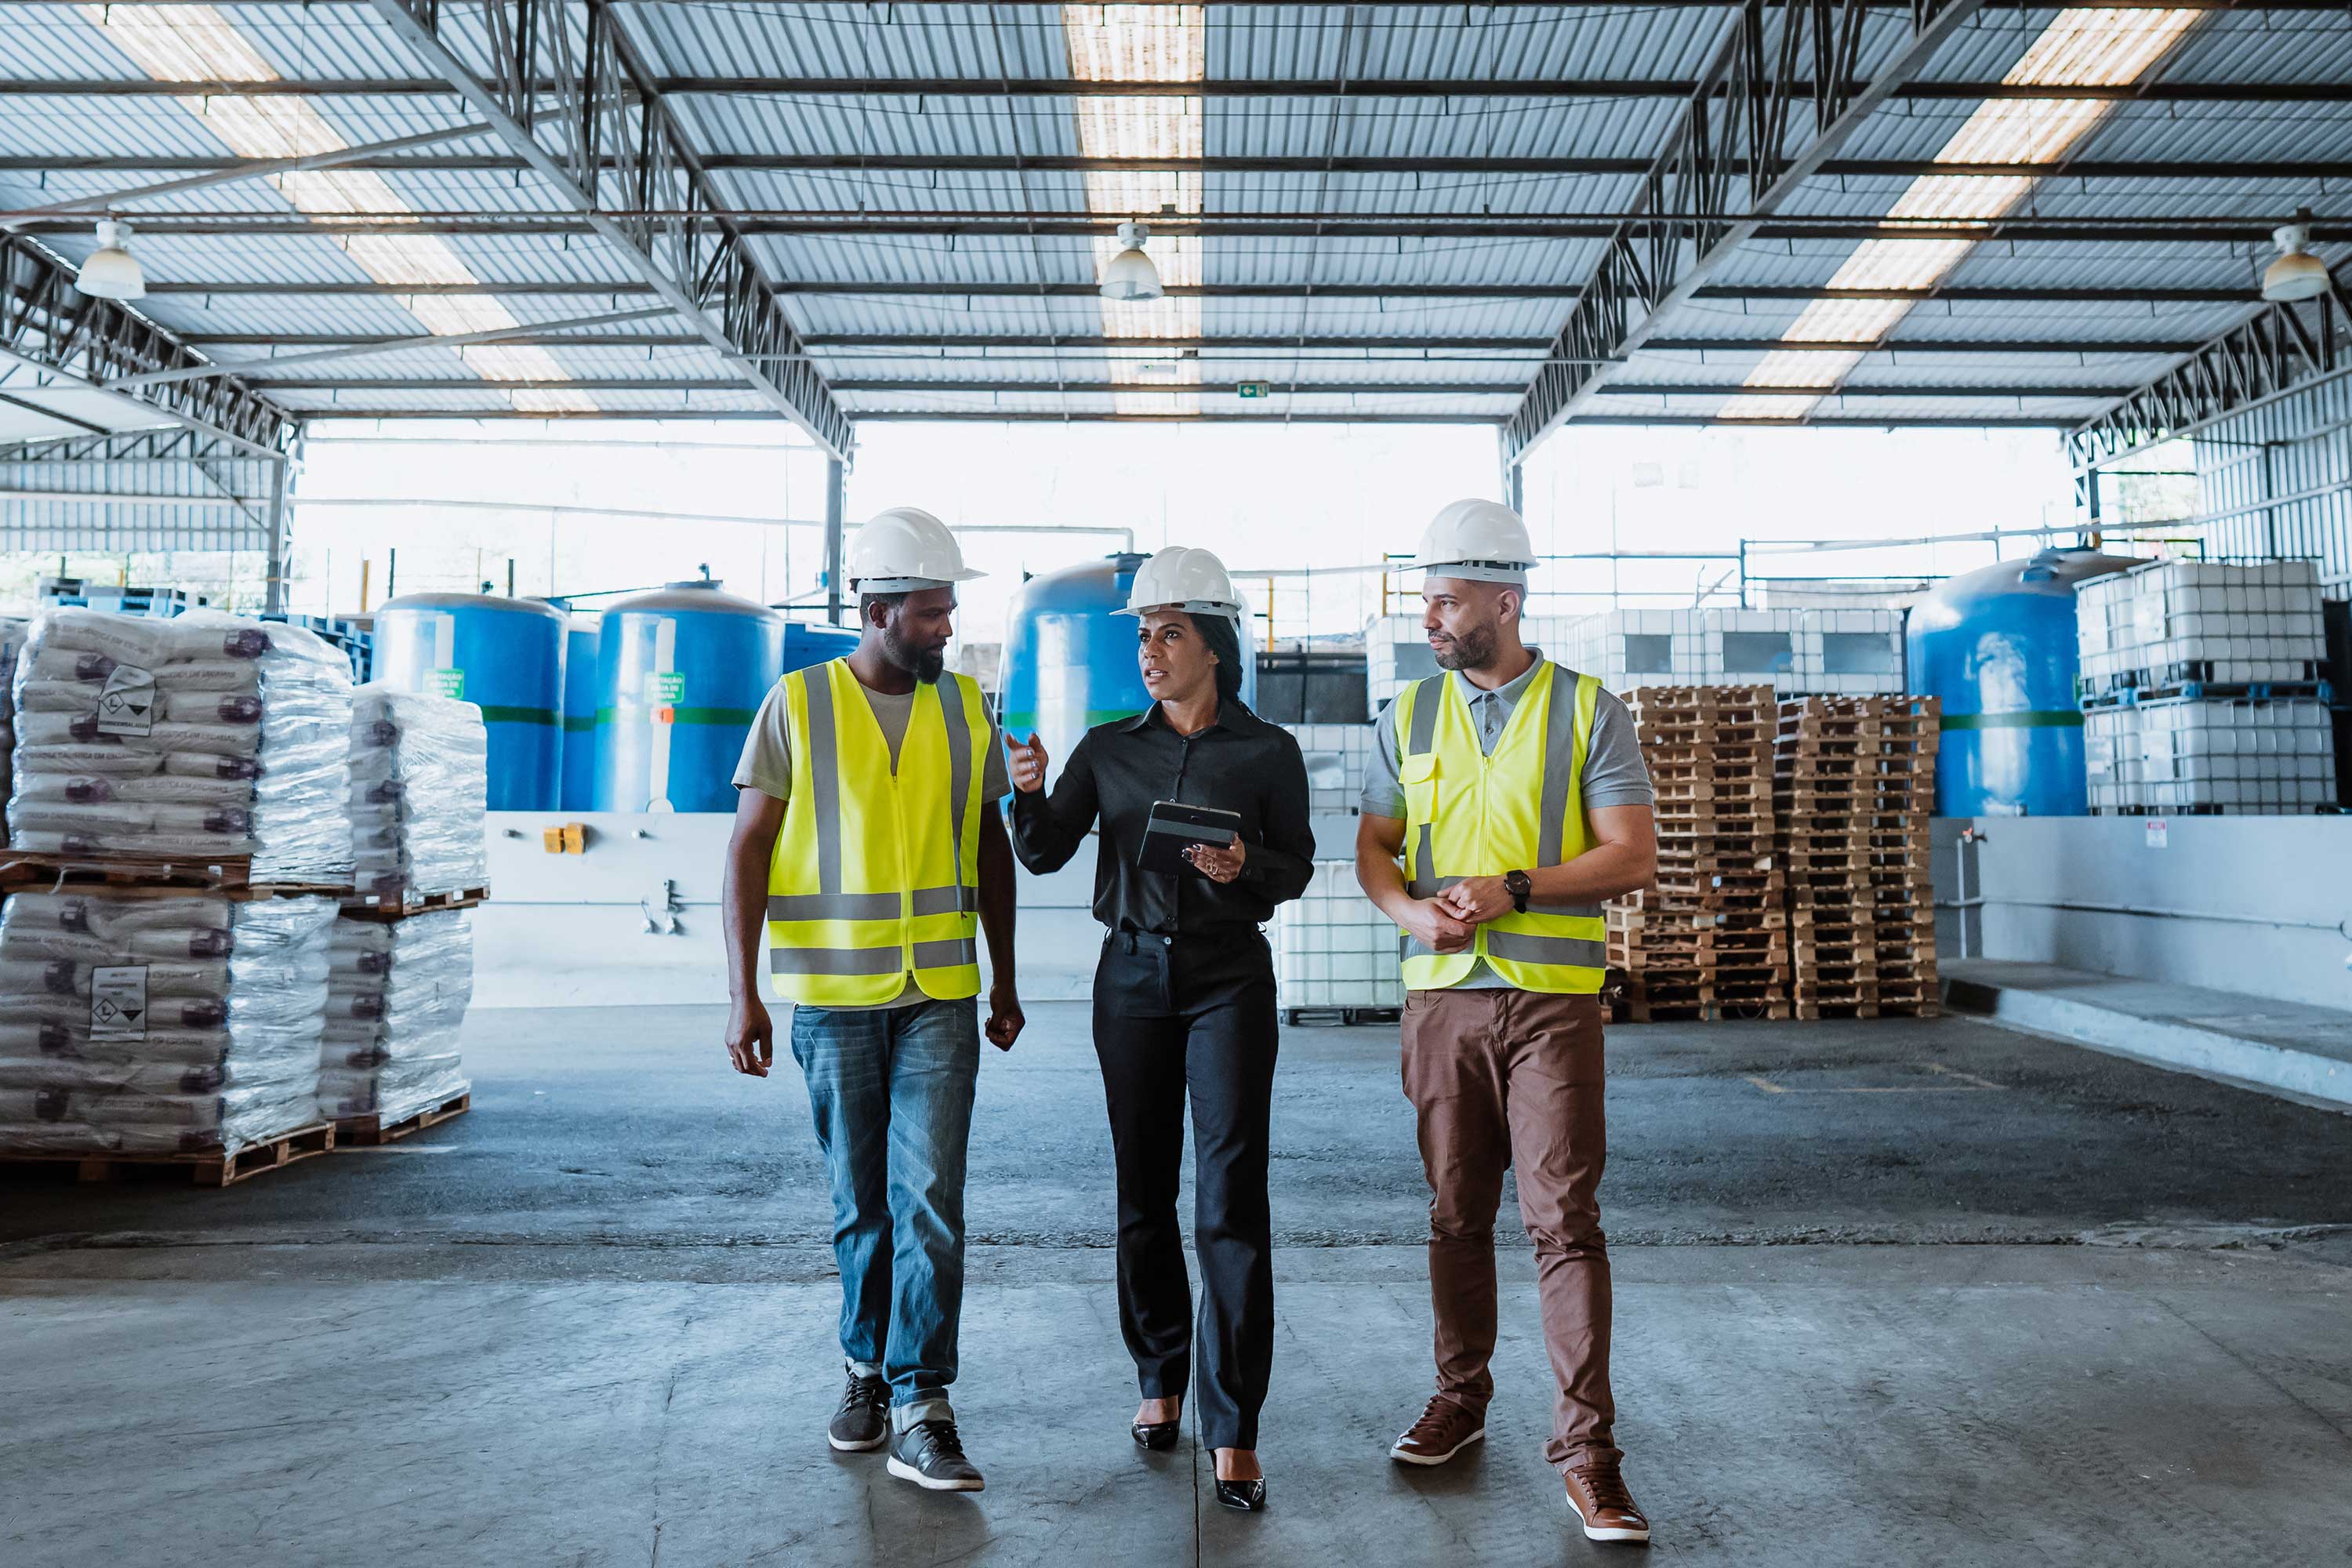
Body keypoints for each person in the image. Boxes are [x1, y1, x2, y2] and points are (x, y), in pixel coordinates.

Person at [1353, 499, 1660, 1544]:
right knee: (1453, 1216)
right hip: (1441, 1005)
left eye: (1446, 599)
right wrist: (1406, 912)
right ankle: (1460, 1399)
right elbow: (1377, 846)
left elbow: (1631, 854)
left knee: (1563, 1223)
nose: (1429, 617)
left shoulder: (1584, 710)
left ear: (1506, 600)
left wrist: (1515, 887)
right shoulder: (1409, 715)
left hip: (1550, 1008)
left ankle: (1588, 1453)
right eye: (1425, 597)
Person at [721, 506, 1024, 1495]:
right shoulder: (798, 702)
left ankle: (923, 1402)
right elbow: (749, 850)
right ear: (878, 608)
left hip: (941, 989)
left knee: (931, 1197)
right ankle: (864, 1372)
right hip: (833, 995)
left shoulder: (967, 707)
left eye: (949, 610)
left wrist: (1007, 980)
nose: (945, 628)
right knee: (862, 1206)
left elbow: (990, 847)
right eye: (931, 613)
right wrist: (743, 995)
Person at [1004, 546, 1313, 1514]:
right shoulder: (1107, 749)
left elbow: (1296, 866)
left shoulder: (1268, 752)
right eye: (1143, 634)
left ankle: (1234, 1427)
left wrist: (1243, 865)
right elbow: (1047, 852)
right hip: (1130, 977)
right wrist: (1025, 786)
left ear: (1213, 645)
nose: (1150, 649)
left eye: (1169, 633)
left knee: (1229, 1198)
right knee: (1142, 1189)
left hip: (1229, 980)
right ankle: (1161, 1375)